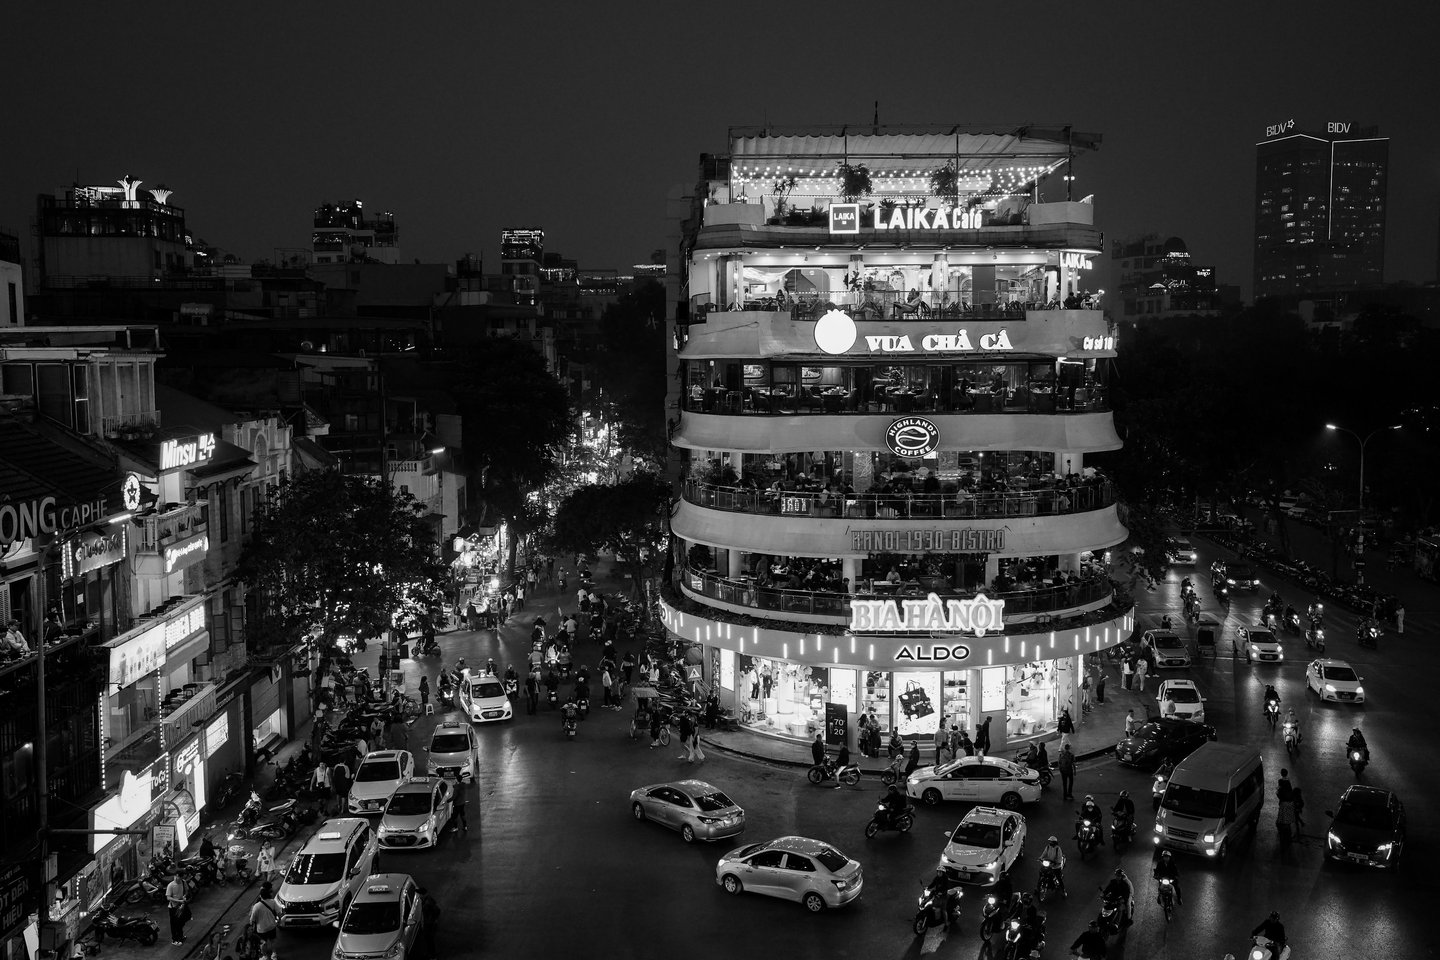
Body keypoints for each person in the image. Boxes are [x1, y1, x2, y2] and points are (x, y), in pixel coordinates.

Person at [248, 885, 279, 952]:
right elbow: (279, 912)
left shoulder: (256, 906)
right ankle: (274, 954)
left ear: (260, 896)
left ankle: (265, 955)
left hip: (261, 929)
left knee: (263, 943)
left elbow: (252, 919)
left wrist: (251, 924)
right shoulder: (272, 902)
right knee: (273, 941)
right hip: (272, 926)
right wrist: (279, 920)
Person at [165, 872, 189, 945]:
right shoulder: (171, 885)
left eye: (181, 878)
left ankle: (180, 936)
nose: (179, 880)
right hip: (173, 908)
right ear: (176, 876)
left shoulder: (183, 882)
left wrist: (184, 896)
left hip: (181, 906)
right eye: (179, 878)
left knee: (181, 921)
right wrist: (179, 901)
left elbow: (187, 891)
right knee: (174, 924)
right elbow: (168, 897)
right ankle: (175, 939)